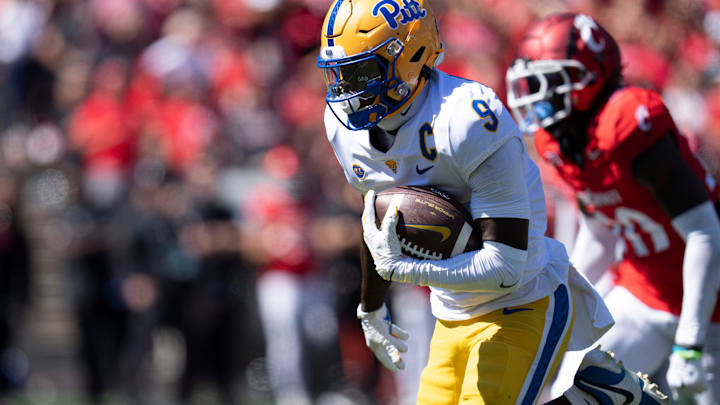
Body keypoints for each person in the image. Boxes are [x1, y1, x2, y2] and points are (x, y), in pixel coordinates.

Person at [317, 1, 667, 404]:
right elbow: (379, 219)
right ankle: (599, 396)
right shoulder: (345, 129)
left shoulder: (465, 119)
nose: (348, 90)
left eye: (362, 71)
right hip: (451, 310)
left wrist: (409, 271)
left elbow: (505, 266)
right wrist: (371, 308)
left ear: (410, 55)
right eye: (340, 74)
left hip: (523, 299)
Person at [505, 12, 720, 404]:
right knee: (573, 390)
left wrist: (690, 343)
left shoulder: (627, 121)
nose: (538, 96)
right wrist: (550, 298)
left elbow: (705, 233)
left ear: (587, 77)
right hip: (644, 290)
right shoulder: (562, 142)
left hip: (711, 302)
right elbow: (601, 234)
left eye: (550, 82)